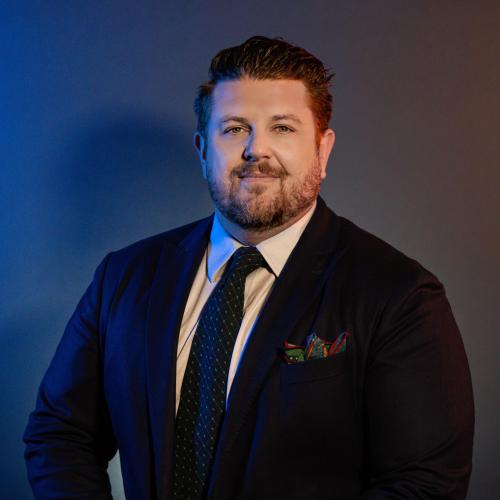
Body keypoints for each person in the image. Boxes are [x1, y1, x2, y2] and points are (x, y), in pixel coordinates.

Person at [24, 36, 474, 500]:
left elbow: (426, 483)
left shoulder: (397, 295)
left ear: (323, 150)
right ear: (203, 150)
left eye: (283, 127)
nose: (257, 149)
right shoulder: (125, 278)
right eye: (235, 128)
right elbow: (60, 434)